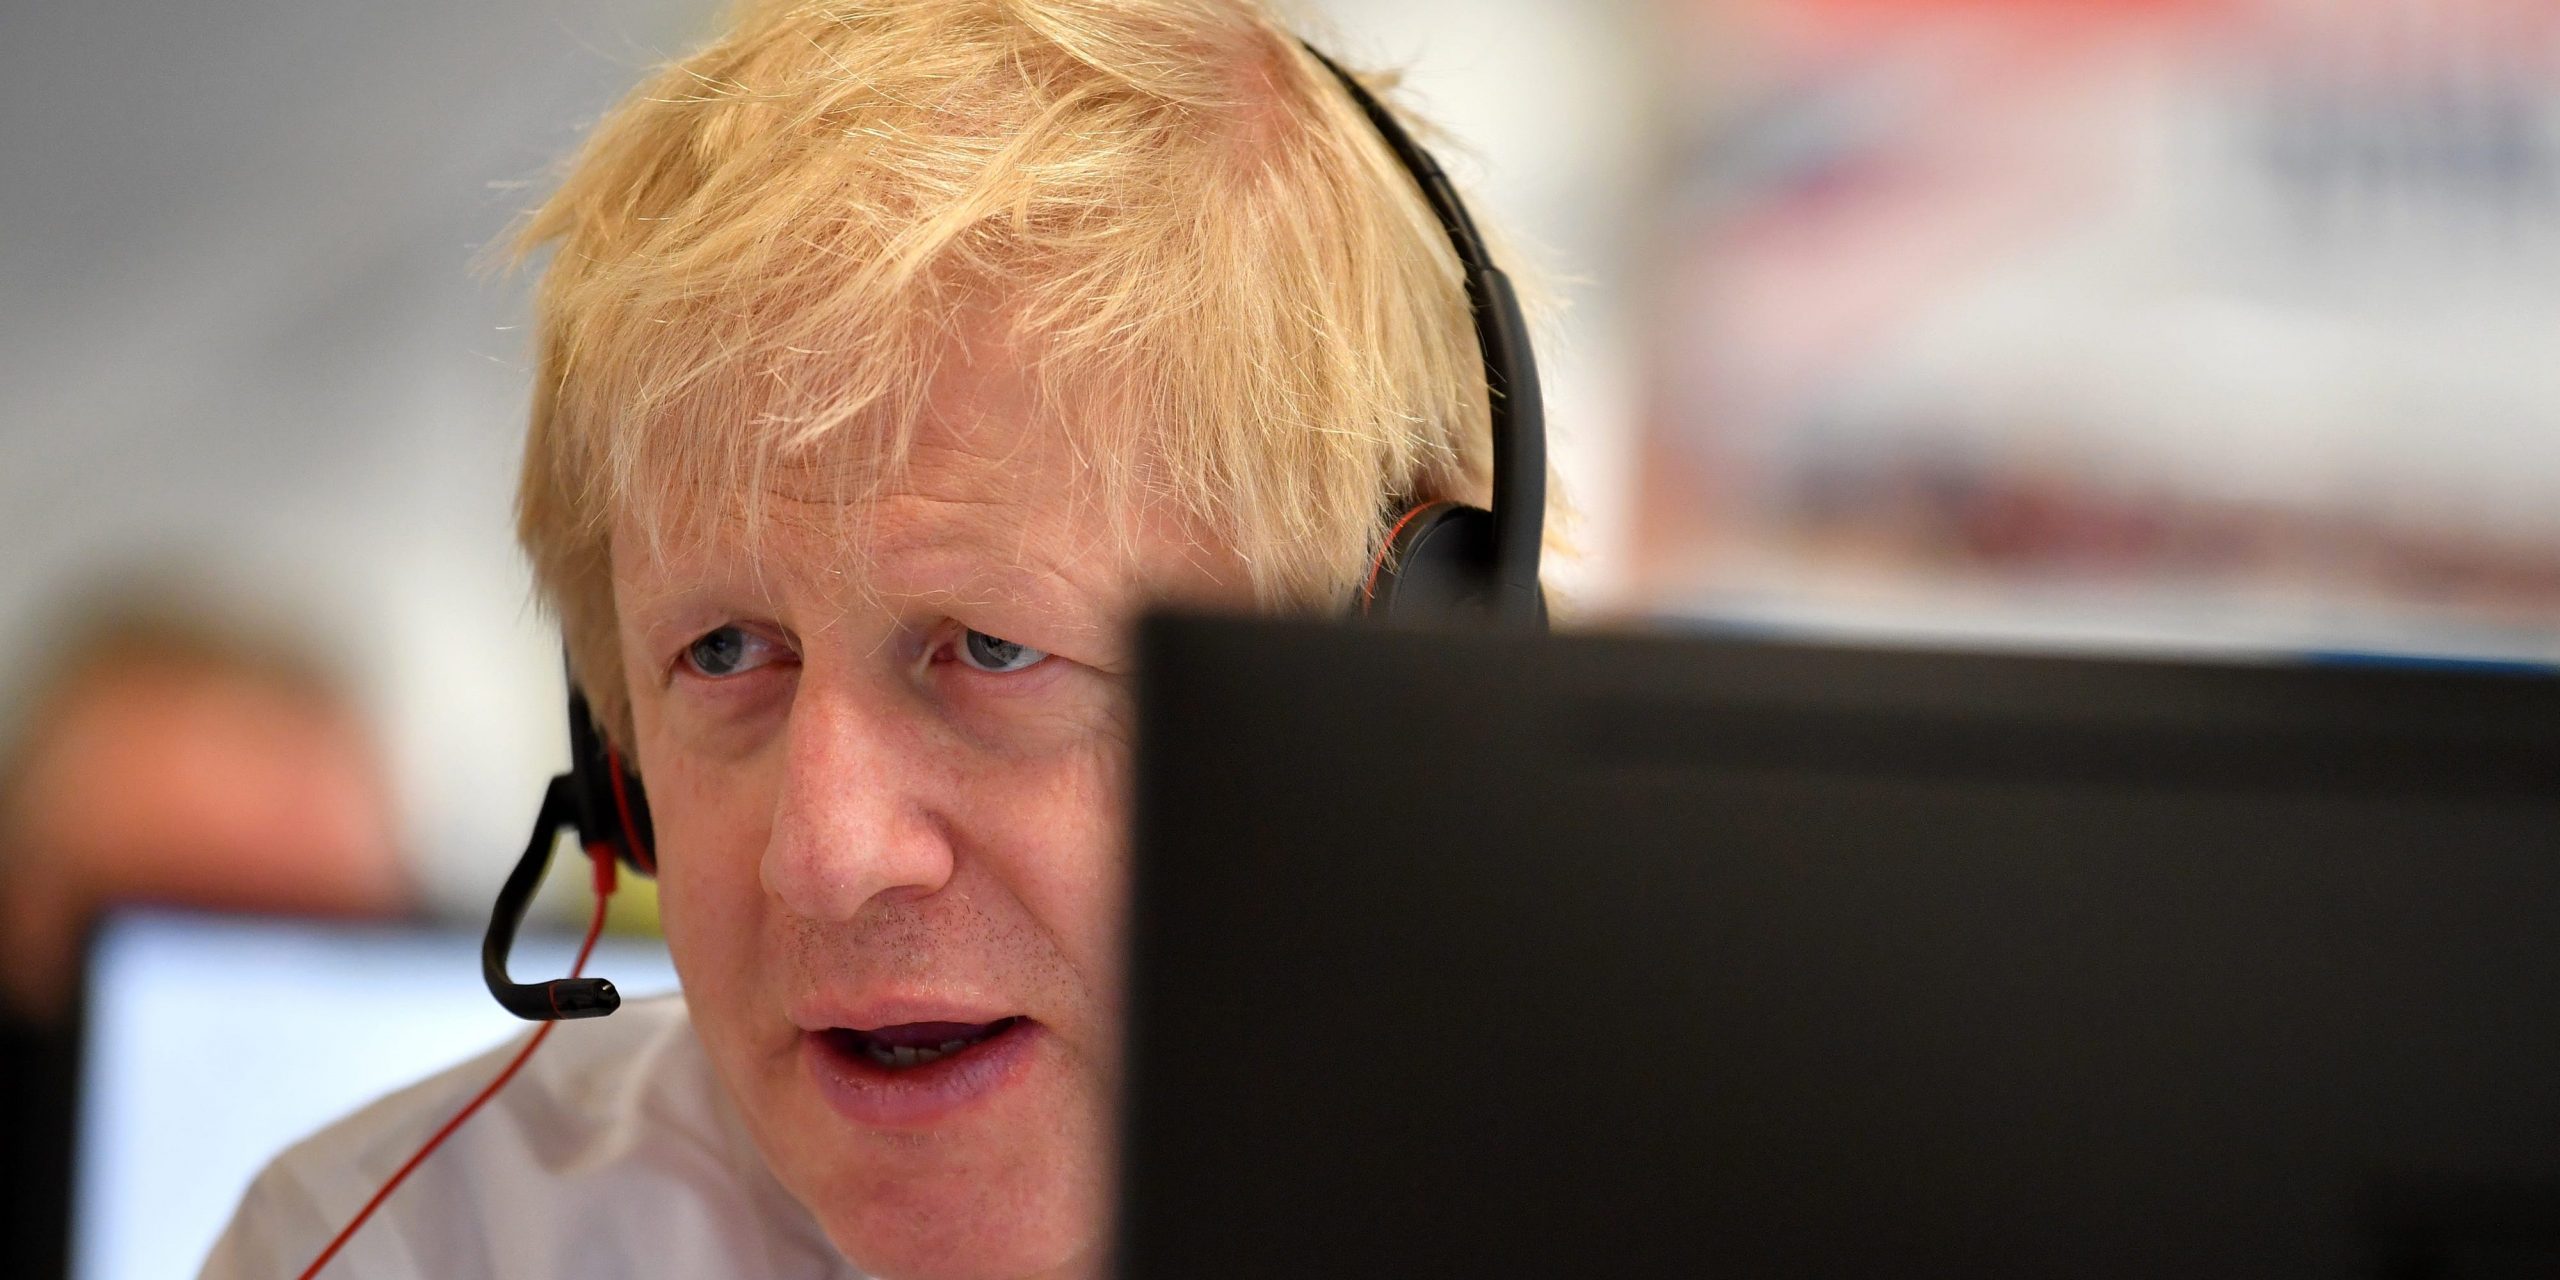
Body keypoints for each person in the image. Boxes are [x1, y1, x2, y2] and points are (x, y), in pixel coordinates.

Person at [202, 1, 1556, 1276]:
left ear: (1398, 689)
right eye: (726, 653)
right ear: (617, 762)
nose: (826, 857)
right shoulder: (401, 1247)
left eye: (991, 647)